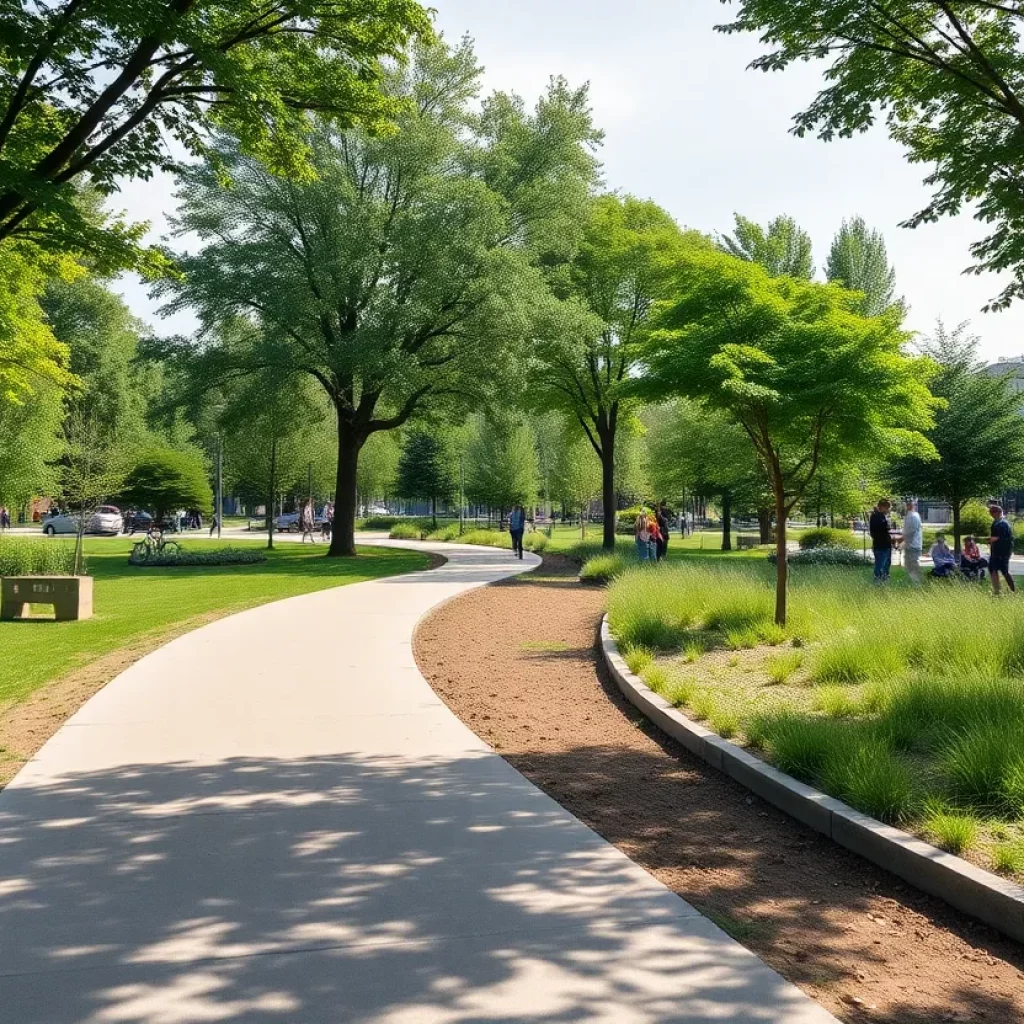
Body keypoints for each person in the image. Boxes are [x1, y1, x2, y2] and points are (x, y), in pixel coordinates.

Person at [988, 504, 1016, 595]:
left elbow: (1001, 538)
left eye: (993, 512)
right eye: (990, 512)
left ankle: (1013, 591)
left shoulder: (1003, 523)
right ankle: (996, 591)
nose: (991, 513)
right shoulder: (995, 522)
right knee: (992, 569)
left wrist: (992, 539)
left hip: (1003, 551)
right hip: (995, 551)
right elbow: (994, 537)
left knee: (1004, 571)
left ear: (999, 512)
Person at [869, 498, 895, 582]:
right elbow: (883, 528)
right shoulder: (876, 516)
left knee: (886, 565)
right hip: (880, 546)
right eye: (887, 508)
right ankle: (878, 583)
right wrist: (886, 525)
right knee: (880, 566)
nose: (888, 510)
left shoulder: (881, 516)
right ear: (882, 507)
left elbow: (886, 528)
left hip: (886, 545)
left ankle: (885, 582)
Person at [902, 499, 923, 584]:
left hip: (913, 545)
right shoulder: (909, 515)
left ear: (914, 506)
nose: (909, 506)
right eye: (908, 505)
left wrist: (901, 538)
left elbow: (910, 530)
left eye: (911, 504)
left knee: (913, 565)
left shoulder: (914, 516)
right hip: (909, 545)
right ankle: (912, 582)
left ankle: (916, 583)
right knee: (909, 565)